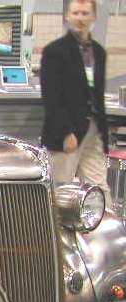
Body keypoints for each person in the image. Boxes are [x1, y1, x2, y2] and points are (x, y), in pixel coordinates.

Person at [40, 0, 111, 203]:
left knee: (99, 191)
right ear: (68, 16)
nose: (80, 18)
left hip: (94, 131)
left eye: (85, 13)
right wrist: (66, 132)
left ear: (93, 17)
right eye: (76, 13)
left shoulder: (99, 52)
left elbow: (96, 93)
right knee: (59, 193)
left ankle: (103, 232)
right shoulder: (54, 52)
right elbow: (52, 98)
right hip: (67, 133)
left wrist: (103, 133)